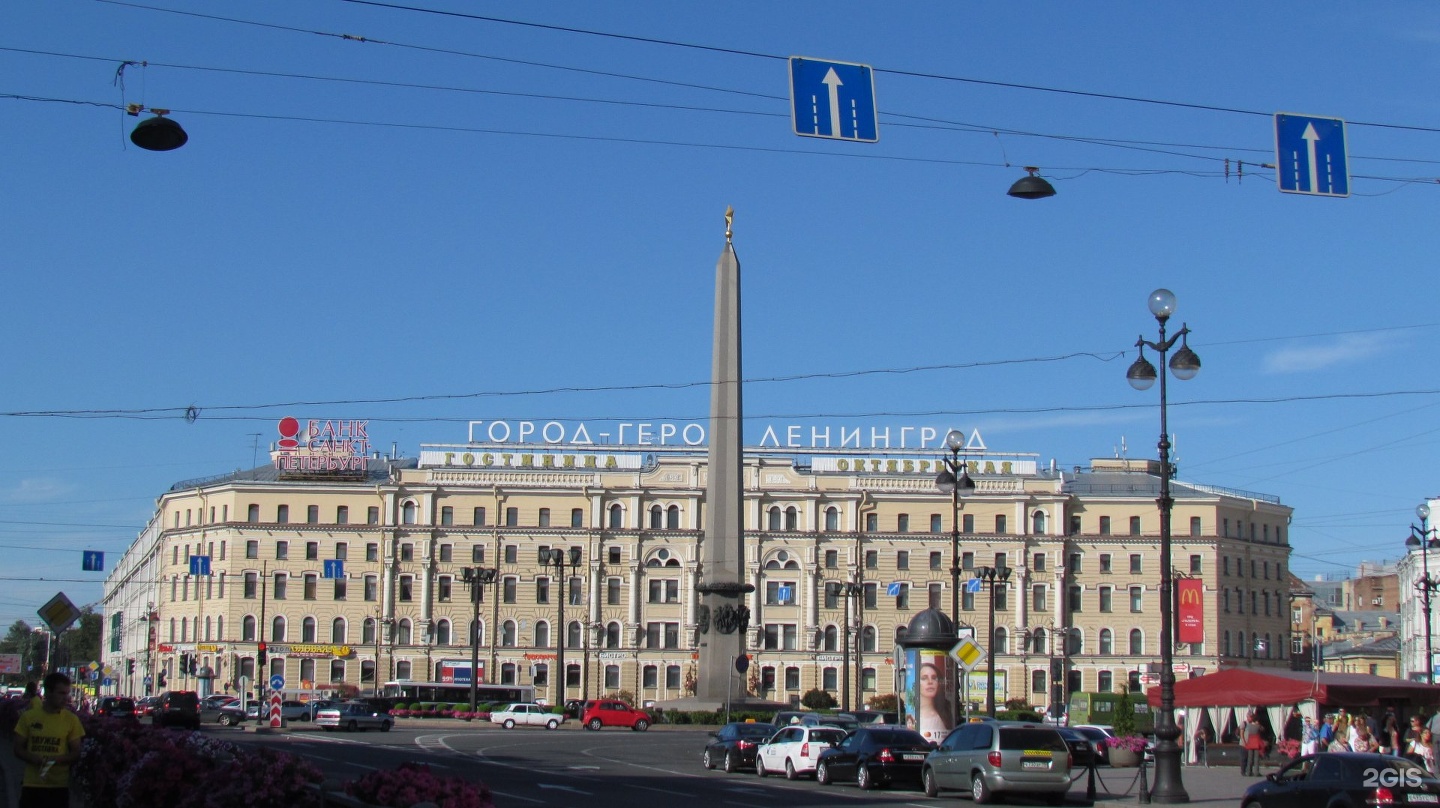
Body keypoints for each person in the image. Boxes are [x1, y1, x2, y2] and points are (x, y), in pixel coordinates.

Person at [13, 672, 85, 808]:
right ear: (48, 692)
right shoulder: (28, 717)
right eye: (61, 693)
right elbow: (17, 748)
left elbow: (76, 752)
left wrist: (56, 760)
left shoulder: (71, 720)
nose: (66, 698)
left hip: (58, 787)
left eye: (67, 693)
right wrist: (33, 758)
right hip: (32, 785)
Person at [911, 660, 953, 745]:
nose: (930, 682)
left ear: (938, 683)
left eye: (934, 678)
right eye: (924, 678)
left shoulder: (946, 715)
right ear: (916, 684)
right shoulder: (912, 716)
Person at [1243, 712, 1266, 776]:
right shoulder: (1258, 726)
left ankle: (1248, 772)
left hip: (1250, 742)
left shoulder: (1249, 726)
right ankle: (1256, 772)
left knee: (1250, 758)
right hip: (1256, 742)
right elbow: (1263, 730)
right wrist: (1259, 725)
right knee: (1256, 758)